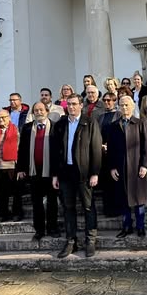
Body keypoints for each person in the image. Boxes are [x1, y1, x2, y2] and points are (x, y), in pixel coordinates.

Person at [51, 94, 102, 258]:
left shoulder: (89, 122)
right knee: (68, 208)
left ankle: (90, 241)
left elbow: (96, 148)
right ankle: (71, 241)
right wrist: (55, 175)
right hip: (65, 173)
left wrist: (95, 172)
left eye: (74, 104)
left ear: (81, 105)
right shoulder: (61, 124)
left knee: (88, 207)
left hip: (84, 173)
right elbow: (55, 151)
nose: (71, 107)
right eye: (69, 104)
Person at [108, 96, 147, 238]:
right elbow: (111, 149)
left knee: (139, 198)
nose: (124, 108)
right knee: (123, 198)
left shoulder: (139, 123)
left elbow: (146, 146)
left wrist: (144, 165)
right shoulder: (114, 126)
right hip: (121, 167)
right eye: (121, 105)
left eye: (127, 105)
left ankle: (140, 226)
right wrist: (112, 167)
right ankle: (127, 227)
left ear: (132, 106)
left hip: (136, 166)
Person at [16, 102, 59, 239]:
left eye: (41, 110)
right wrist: (20, 169)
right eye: (36, 110)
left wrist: (57, 173)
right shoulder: (27, 128)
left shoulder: (55, 127)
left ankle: (52, 228)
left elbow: (59, 150)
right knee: (36, 203)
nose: (39, 112)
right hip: (34, 171)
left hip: (51, 171)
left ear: (47, 111)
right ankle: (39, 230)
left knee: (52, 202)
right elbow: (22, 149)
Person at [0, 109, 22, 223]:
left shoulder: (16, 130)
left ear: (9, 118)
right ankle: (3, 214)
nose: (1, 119)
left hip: (12, 166)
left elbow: (20, 148)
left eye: (3, 117)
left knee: (16, 192)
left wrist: (21, 167)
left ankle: (17, 213)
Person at [98, 92, 121, 216]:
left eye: (109, 100)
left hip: (115, 152)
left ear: (114, 101)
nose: (106, 102)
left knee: (116, 181)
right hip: (103, 153)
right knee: (106, 182)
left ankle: (118, 209)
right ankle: (108, 209)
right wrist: (101, 145)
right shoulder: (100, 117)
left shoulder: (119, 114)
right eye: (105, 100)